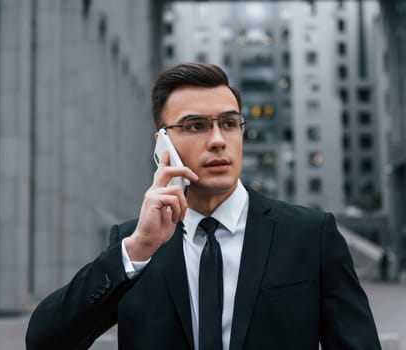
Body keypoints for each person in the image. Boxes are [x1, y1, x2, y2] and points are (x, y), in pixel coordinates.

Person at [25, 62, 381, 350]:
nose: (217, 141)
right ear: (163, 143)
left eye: (228, 123)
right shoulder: (137, 245)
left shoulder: (309, 235)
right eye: (195, 126)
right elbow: (45, 341)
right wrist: (137, 249)